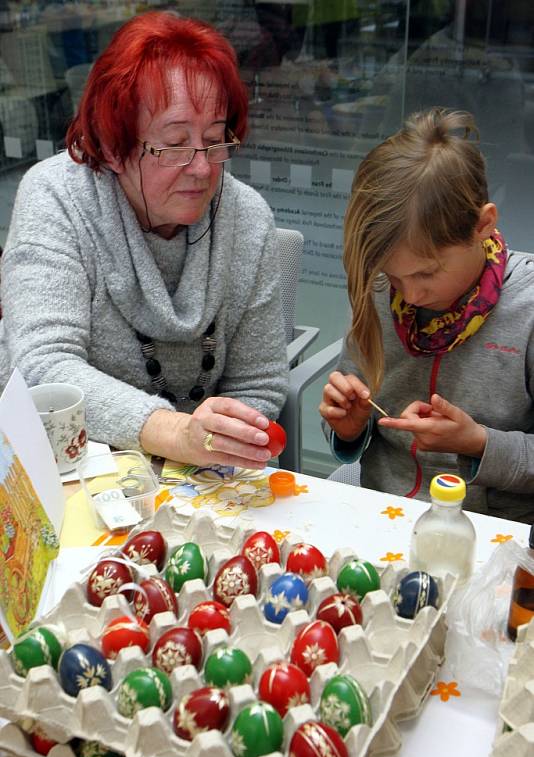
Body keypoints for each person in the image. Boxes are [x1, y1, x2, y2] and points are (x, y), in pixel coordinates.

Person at [0, 12, 289, 470]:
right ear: (113, 147)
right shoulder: (57, 198)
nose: (202, 168)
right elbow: (44, 368)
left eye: (214, 139)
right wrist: (176, 433)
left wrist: (213, 453)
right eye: (174, 144)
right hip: (66, 465)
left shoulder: (246, 219)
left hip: (199, 477)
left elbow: (259, 384)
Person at [320, 107, 534, 523]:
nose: (412, 295)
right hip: (386, 514)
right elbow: (351, 428)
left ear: (483, 225)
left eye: (427, 272)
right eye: (393, 276)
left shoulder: (527, 312)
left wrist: (479, 444)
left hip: (495, 533)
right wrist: (348, 428)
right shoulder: (382, 293)